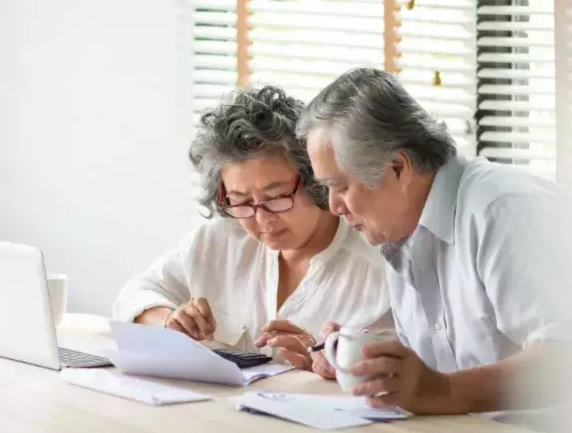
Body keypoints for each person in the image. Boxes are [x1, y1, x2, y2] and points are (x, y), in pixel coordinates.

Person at [296, 67, 572, 418]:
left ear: (398, 168)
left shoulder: (504, 209)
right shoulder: (401, 230)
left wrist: (442, 391)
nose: (333, 206)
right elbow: (440, 369)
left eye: (340, 186)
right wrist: (362, 361)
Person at [112, 85, 391, 368]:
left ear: (315, 180)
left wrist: (327, 364)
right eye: (241, 201)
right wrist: (169, 322)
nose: (262, 219)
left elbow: (393, 372)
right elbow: (134, 295)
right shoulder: (218, 242)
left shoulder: (378, 269)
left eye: (276, 197)